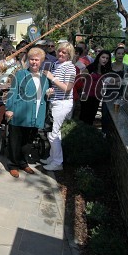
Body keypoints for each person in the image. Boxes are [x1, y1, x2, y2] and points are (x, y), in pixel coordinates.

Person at [5, 47, 50, 178]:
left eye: (37, 60)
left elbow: (44, 95)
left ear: (41, 61)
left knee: (28, 141)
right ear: (28, 60)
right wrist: (9, 108)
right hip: (19, 112)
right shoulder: (20, 74)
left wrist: (48, 94)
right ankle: (13, 165)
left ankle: (23, 162)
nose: (34, 62)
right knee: (15, 140)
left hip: (35, 114)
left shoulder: (44, 78)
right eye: (32, 59)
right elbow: (13, 92)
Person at [42, 42, 76, 171]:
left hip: (63, 103)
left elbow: (67, 88)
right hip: (54, 101)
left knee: (53, 134)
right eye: (59, 51)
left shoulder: (70, 68)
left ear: (69, 55)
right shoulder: (56, 64)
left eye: (64, 52)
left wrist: (52, 77)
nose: (61, 54)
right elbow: (57, 86)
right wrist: (51, 90)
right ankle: (52, 158)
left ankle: (57, 163)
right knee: (53, 132)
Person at [79, 50, 112, 125]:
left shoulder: (106, 69)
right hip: (87, 96)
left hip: (97, 96)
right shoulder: (92, 66)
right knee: (83, 118)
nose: (105, 60)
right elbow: (82, 77)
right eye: (103, 57)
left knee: (91, 118)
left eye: (107, 58)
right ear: (99, 57)